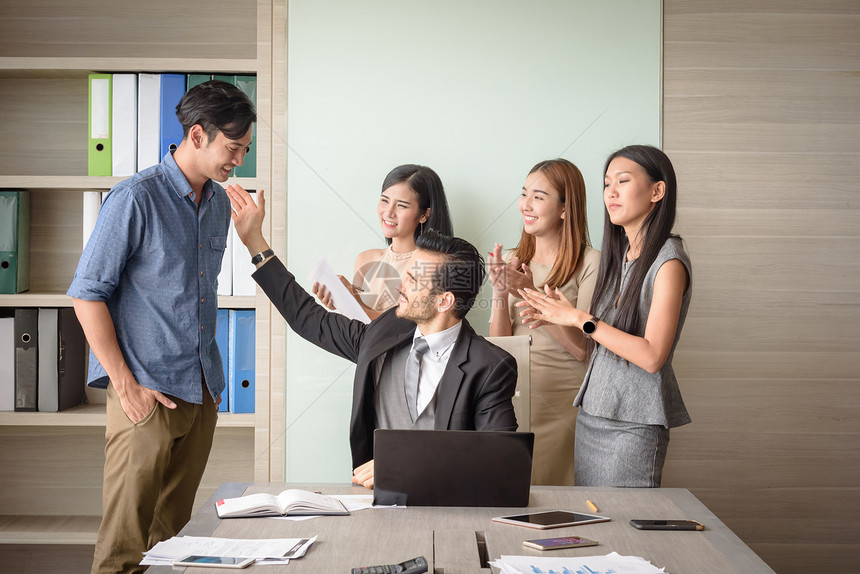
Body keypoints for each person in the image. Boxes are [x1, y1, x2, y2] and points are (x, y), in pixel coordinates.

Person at [67, 80, 255, 573]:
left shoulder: (217, 203)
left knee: (173, 544)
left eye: (245, 150)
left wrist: (211, 383)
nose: (238, 161)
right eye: (233, 148)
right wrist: (125, 385)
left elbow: (199, 296)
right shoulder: (135, 197)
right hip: (145, 397)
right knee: (123, 549)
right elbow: (86, 296)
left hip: (199, 395)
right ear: (197, 135)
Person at [226, 184, 517, 488]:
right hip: (374, 505)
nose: (402, 284)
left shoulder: (491, 366)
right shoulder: (383, 332)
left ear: (444, 301)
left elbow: (499, 462)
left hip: (448, 512)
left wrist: (409, 462)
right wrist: (255, 243)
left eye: (414, 278)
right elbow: (307, 318)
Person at [517, 144, 692, 488]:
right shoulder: (621, 255)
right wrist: (555, 314)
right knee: (594, 520)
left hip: (634, 422)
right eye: (607, 183)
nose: (611, 192)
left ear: (657, 191)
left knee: (622, 526)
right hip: (593, 412)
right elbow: (592, 345)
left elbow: (652, 356)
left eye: (623, 181)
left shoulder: (668, 261)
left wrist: (580, 318)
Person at [488, 158, 599, 486]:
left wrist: (529, 293)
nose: (526, 204)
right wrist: (498, 293)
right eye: (524, 194)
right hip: (512, 391)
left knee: (553, 493)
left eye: (538, 196)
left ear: (566, 209)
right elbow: (500, 343)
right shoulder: (513, 259)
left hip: (562, 398)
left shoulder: (590, 262)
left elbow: (584, 350)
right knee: (510, 489)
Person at [312, 164, 453, 320]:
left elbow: (407, 332)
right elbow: (361, 326)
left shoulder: (433, 267)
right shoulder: (365, 259)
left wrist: (355, 301)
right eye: (385, 200)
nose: (388, 212)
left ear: (424, 215)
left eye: (401, 205)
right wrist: (342, 301)